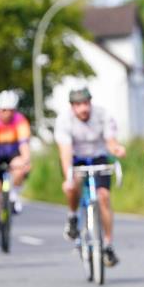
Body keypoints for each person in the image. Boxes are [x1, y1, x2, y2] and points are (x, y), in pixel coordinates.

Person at [54, 88, 127, 267]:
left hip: (98, 157)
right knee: (74, 184)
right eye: (78, 105)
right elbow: (65, 152)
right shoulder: (64, 121)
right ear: (72, 107)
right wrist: (68, 177)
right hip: (76, 158)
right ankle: (72, 216)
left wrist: (117, 149)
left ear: (90, 103)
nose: (83, 108)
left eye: (86, 103)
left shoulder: (102, 115)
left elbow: (110, 142)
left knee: (104, 197)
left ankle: (108, 245)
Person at [0, 90, 32, 244]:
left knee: (20, 166)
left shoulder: (20, 121)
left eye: (11, 110)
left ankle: (14, 194)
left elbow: (24, 146)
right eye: (4, 110)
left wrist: (26, 160)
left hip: (12, 153)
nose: (7, 113)